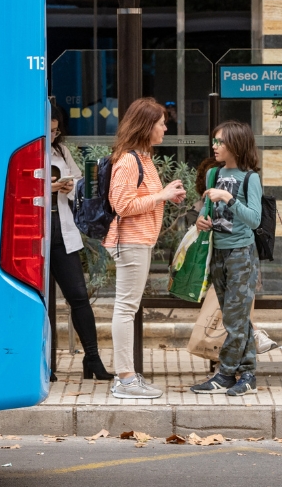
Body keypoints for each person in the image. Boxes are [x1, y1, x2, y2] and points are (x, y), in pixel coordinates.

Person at [105, 97, 187, 399]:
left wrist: (165, 195)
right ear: (146, 126)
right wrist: (160, 196)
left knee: (128, 307)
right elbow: (122, 206)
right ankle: (125, 379)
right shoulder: (129, 161)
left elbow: (144, 199)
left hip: (140, 239)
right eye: (161, 122)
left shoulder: (144, 159)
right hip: (130, 240)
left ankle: (127, 377)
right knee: (125, 308)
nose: (165, 127)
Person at [190, 120, 263, 396]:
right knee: (238, 317)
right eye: (215, 140)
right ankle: (247, 375)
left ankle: (225, 374)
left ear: (236, 144)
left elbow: (255, 220)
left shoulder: (250, 178)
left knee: (234, 318)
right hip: (217, 251)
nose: (215, 146)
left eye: (220, 141)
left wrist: (229, 199)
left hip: (241, 252)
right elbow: (206, 210)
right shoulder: (213, 174)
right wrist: (201, 221)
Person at [48, 105, 114, 382]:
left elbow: (79, 180)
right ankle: (42, 364)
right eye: (48, 131)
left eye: (56, 130)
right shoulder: (23, 150)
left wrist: (68, 186)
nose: (52, 135)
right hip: (32, 235)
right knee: (38, 302)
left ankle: (92, 358)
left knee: (78, 297)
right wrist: (46, 188)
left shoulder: (61, 152)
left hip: (63, 232)